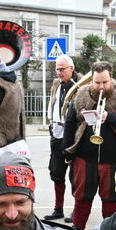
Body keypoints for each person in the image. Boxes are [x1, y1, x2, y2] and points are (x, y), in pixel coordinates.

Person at [61, 60, 116, 230]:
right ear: (92, 80)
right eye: (97, 82)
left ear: (111, 78)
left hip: (113, 158)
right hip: (84, 157)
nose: (101, 86)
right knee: (82, 198)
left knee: (110, 199)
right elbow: (70, 124)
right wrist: (68, 152)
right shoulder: (81, 94)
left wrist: (109, 117)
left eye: (105, 82)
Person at [46, 55, 79, 220]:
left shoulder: (80, 86)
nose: (59, 72)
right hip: (57, 135)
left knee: (76, 176)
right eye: (57, 69)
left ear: (71, 69)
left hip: (74, 137)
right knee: (56, 173)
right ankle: (58, 208)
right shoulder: (56, 85)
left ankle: (77, 209)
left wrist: (72, 122)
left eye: (62, 69)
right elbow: (53, 105)